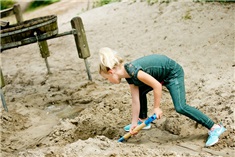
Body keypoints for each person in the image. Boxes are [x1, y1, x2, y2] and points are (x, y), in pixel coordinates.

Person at [98, 47, 226, 147]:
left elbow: (156, 86)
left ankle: (215, 127)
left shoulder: (133, 71)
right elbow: (135, 100)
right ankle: (143, 121)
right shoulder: (129, 77)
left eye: (106, 78)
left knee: (180, 107)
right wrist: (133, 124)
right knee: (140, 93)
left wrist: (156, 108)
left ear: (111, 71)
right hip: (160, 76)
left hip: (172, 73)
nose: (109, 81)